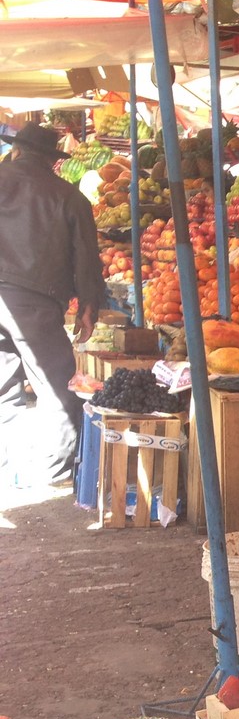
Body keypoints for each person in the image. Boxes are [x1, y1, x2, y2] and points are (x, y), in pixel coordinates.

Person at [0, 122, 105, 489]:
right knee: (58, 386)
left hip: (21, 298)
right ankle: (54, 469)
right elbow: (86, 257)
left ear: (17, 151)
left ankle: (6, 464)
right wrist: (89, 304)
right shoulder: (69, 196)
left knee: (3, 387)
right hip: (33, 300)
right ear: (52, 160)